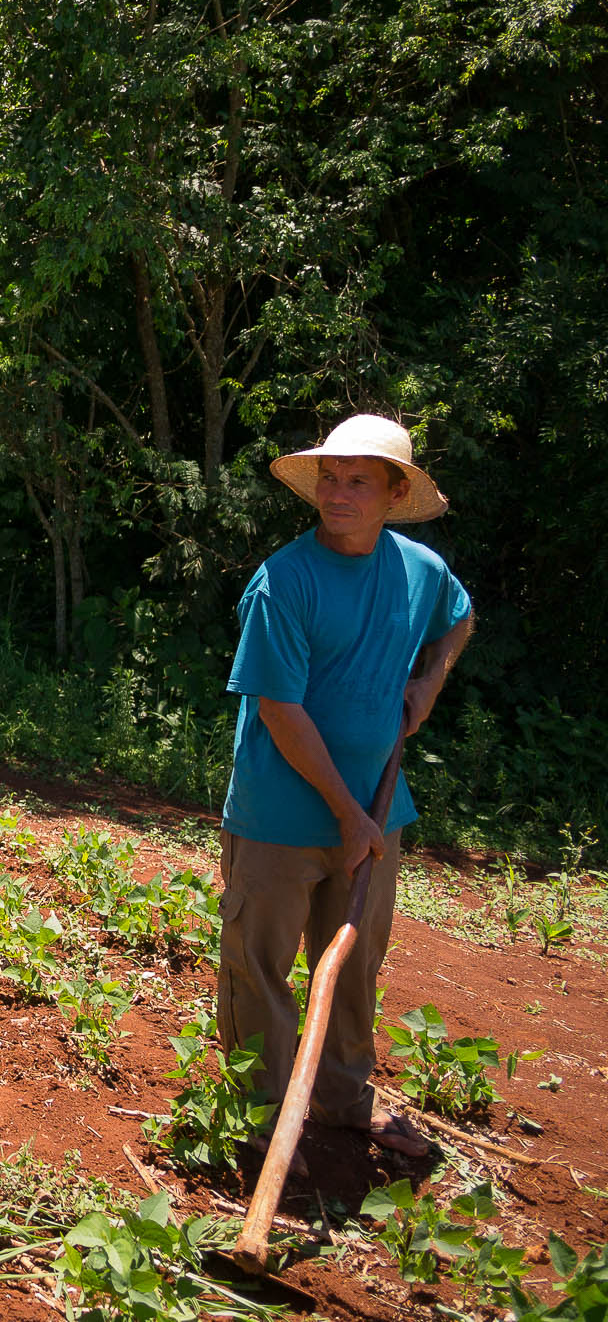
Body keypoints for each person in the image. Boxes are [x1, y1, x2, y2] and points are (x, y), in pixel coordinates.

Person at [219, 413, 474, 1166]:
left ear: (394, 493)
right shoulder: (285, 581)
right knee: (259, 969)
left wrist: (428, 683)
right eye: (329, 477)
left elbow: (458, 620)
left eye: (357, 480)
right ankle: (261, 1118)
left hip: (377, 812)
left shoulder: (418, 572)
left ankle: (341, 1104)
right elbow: (279, 708)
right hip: (280, 816)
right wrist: (347, 814)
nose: (337, 493)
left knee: (355, 965)